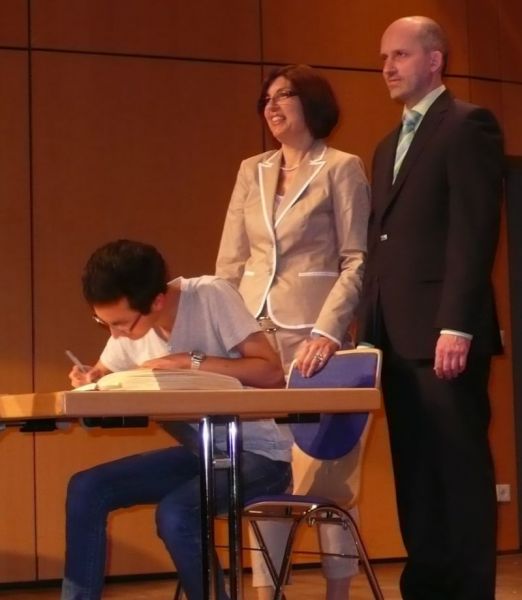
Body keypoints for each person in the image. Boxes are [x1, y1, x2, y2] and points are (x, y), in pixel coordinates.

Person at [357, 16, 505, 600]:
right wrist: (368, 331)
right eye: (383, 58)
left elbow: (474, 231)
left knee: (458, 472)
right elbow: (381, 244)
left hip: (444, 333)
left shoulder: (467, 125)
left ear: (435, 60)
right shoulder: (385, 145)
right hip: (395, 337)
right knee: (416, 474)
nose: (388, 67)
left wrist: (456, 324)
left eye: (400, 55)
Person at [61, 239, 292, 600]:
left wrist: (189, 362)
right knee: (87, 488)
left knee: (177, 513)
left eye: (120, 324)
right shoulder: (131, 325)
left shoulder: (210, 296)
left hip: (258, 455)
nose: (115, 334)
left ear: (156, 301)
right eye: (103, 323)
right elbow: (103, 373)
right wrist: (90, 379)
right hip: (202, 453)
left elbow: (272, 373)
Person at [216, 65, 370, 600]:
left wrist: (328, 331)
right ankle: (268, 593)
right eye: (267, 98)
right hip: (255, 342)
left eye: (284, 95)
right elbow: (230, 262)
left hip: (315, 342)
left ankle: (338, 594)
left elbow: (356, 260)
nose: (272, 105)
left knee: (326, 475)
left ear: (313, 103)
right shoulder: (251, 170)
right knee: (266, 475)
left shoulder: (342, 167)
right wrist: (222, 332)